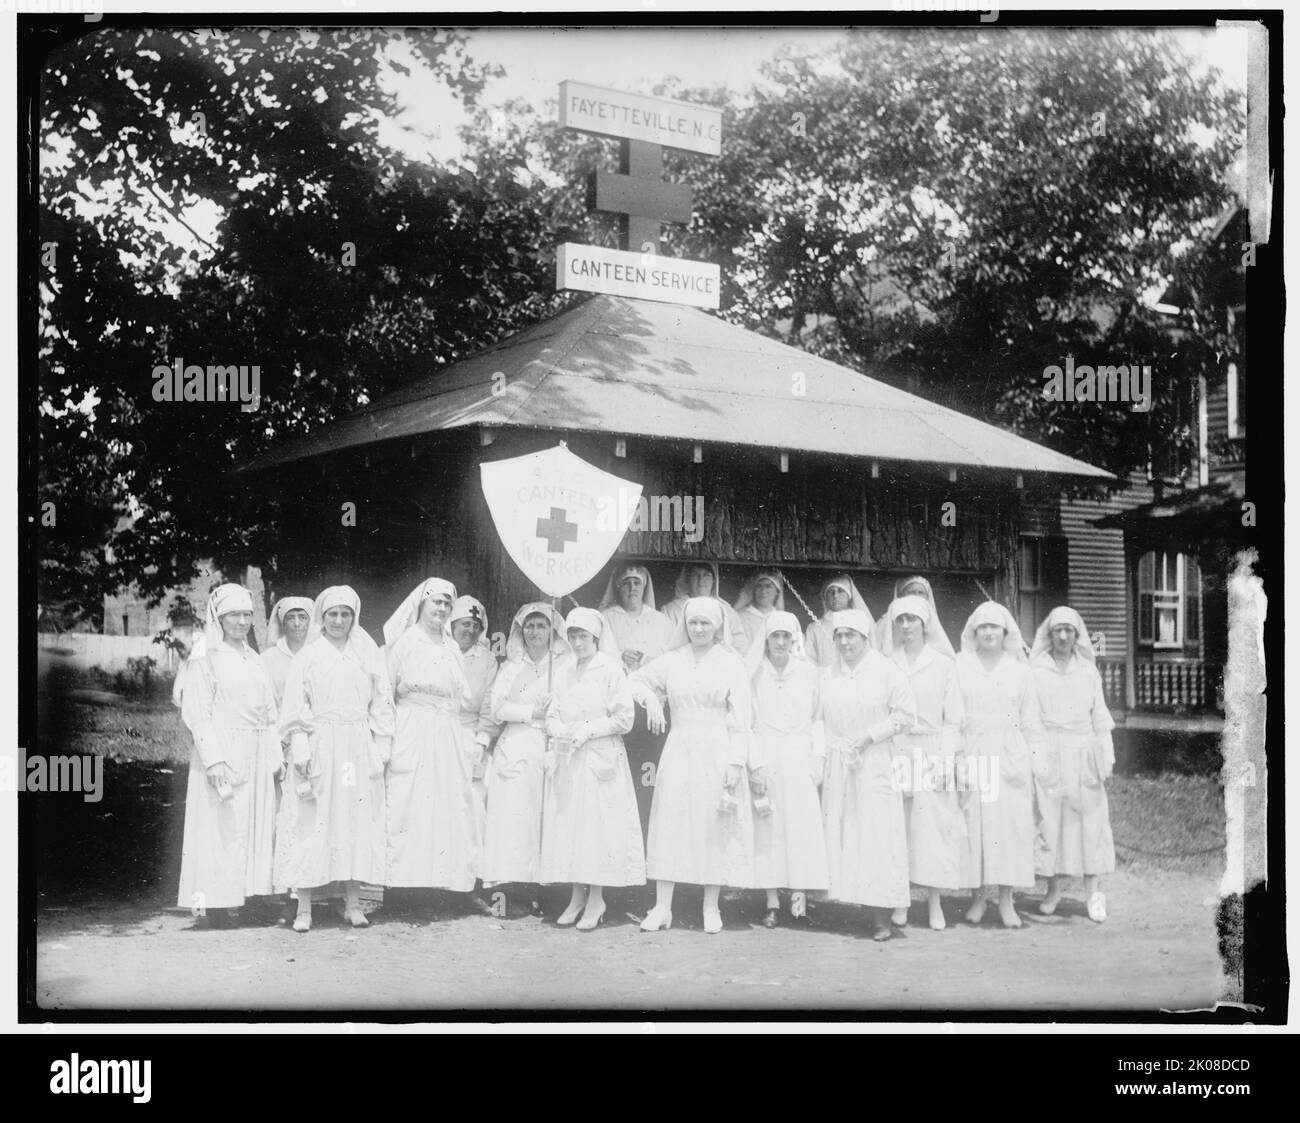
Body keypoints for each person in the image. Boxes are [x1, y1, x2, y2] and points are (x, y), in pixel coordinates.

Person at [629, 597, 754, 933]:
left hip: (716, 747)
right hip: (680, 746)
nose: (698, 630)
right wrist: (652, 699)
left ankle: (710, 907)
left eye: (705, 624)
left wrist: (736, 762)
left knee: (712, 823)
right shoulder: (673, 660)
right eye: (693, 623)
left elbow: (742, 719)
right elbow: (634, 681)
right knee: (671, 821)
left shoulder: (731, 663)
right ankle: (662, 907)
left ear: (717, 627)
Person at [277, 586, 395, 932]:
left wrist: (381, 747)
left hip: (355, 749)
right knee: (312, 820)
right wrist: (300, 746)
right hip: (321, 745)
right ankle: (304, 907)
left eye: (345, 614)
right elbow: (296, 706)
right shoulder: (308, 656)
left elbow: (382, 702)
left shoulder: (367, 654)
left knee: (352, 816)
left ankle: (353, 902)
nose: (339, 621)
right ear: (322, 618)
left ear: (354, 617)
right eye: (332, 615)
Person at [175, 583, 283, 927]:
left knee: (254, 826)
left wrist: (274, 754)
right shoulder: (205, 657)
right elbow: (196, 712)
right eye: (233, 615)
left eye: (246, 615)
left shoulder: (254, 658)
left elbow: (269, 711)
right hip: (223, 748)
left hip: (255, 748)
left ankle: (250, 896)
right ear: (219, 618)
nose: (241, 621)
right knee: (222, 830)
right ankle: (218, 905)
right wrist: (214, 759)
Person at [540, 607, 646, 929]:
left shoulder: (610, 669)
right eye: (572, 635)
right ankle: (576, 896)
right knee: (573, 828)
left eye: (582, 635)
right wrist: (558, 729)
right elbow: (552, 712)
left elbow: (624, 718)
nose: (576, 641)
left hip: (601, 757)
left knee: (597, 829)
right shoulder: (563, 670)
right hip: (570, 758)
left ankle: (597, 898)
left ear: (595, 637)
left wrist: (587, 729)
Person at [817, 608, 917, 940]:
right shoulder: (828, 675)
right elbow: (819, 718)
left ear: (865, 638)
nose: (844, 642)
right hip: (839, 762)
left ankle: (881, 916)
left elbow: (906, 715)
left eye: (851, 636)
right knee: (845, 831)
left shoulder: (887, 671)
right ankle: (848, 903)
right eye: (839, 636)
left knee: (877, 835)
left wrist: (869, 736)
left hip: (874, 761)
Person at [381, 578, 481, 904]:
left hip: (446, 732)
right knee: (407, 805)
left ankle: (436, 889)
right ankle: (400, 890)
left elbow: (458, 694)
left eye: (446, 604)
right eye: (435, 602)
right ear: (421, 604)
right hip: (412, 727)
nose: (440, 609)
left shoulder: (451, 647)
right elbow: (387, 693)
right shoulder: (405, 642)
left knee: (444, 806)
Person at [955, 601, 1044, 930]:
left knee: (1009, 827)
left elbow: (1031, 720)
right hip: (974, 749)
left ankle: (1006, 899)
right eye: (982, 627)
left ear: (1005, 632)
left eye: (994, 627)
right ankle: (978, 896)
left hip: (1009, 752)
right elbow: (953, 713)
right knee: (975, 824)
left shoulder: (1020, 670)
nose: (989, 632)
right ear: (974, 633)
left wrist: (1036, 761)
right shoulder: (961, 665)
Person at [881, 594, 968, 930]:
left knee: (932, 829)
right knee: (899, 828)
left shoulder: (944, 665)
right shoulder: (888, 664)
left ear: (924, 624)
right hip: (898, 749)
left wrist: (946, 760)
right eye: (900, 620)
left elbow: (953, 720)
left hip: (932, 750)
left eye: (912, 620)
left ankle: (934, 903)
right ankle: (900, 900)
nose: (906, 626)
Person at [481, 602, 572, 906]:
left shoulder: (561, 667)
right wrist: (531, 711)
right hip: (517, 745)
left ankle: (544, 888)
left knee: (546, 816)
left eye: (541, 626)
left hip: (549, 746)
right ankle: (513, 887)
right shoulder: (511, 668)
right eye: (529, 626)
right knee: (514, 817)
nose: (535, 632)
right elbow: (498, 708)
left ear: (552, 631)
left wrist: (552, 717)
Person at [1029, 606, 1116, 923]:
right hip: (1050, 750)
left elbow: (1100, 717)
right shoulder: (1036, 671)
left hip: (1083, 753)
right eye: (1057, 631)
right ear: (1049, 635)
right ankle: (1053, 890)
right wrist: (1036, 757)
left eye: (1069, 630)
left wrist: (1105, 756)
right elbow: (1031, 719)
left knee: (1090, 823)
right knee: (1050, 821)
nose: (1063, 636)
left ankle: (1093, 893)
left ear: (1077, 635)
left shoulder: (1088, 672)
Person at [748, 610, 828, 928]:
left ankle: (799, 900)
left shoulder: (809, 672)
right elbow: (747, 724)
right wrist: (756, 765)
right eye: (774, 636)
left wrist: (818, 759)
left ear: (793, 640)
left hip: (799, 756)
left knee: (801, 829)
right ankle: (771, 902)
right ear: (766, 640)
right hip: (767, 756)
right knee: (768, 830)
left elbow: (818, 719)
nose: (780, 642)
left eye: (786, 636)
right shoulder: (754, 674)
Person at [598, 563, 673, 836]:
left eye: (637, 583)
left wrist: (646, 659)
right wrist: (620, 658)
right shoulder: (606, 618)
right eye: (626, 583)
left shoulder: (661, 621)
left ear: (645, 587)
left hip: (654, 711)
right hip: (618, 707)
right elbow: (601, 655)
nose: (632, 588)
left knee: (648, 776)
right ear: (618, 586)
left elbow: (669, 657)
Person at [448, 595, 500, 852]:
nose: (469, 630)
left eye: (474, 625)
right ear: (452, 624)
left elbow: (490, 702)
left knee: (473, 803)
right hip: (440, 733)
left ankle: (470, 878)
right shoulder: (441, 651)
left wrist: (482, 741)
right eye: (464, 623)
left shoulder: (487, 659)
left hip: (472, 737)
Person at [660, 562, 749, 654]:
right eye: (695, 575)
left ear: (714, 580)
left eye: (706, 575)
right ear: (687, 579)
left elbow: (741, 646)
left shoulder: (728, 612)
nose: (701, 581)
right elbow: (663, 646)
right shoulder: (671, 610)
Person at [874, 575, 956, 657]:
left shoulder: (932, 623)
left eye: (921, 593)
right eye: (911, 592)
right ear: (901, 596)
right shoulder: (885, 622)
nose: (916, 596)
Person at [805, 574, 873, 667]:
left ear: (849, 596)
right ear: (826, 598)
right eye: (831, 592)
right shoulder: (814, 628)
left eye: (840, 591)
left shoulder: (860, 623)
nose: (835, 595)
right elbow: (809, 660)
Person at [261, 596, 314, 706]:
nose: (297, 623)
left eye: (302, 617)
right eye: (290, 618)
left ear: (310, 622)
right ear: (282, 623)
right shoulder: (266, 659)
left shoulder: (320, 656)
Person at [733, 568, 786, 652]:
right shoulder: (740, 617)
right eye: (759, 586)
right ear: (753, 590)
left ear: (777, 591)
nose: (763, 591)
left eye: (768, 586)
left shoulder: (783, 618)